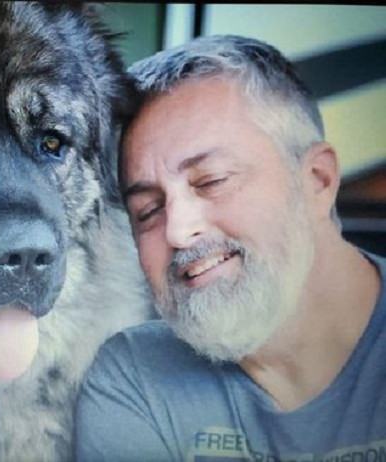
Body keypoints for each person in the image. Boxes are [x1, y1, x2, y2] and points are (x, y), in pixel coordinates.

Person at [75, 35, 386, 461]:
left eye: (212, 181)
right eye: (147, 211)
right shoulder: (133, 379)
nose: (178, 231)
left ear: (317, 181)